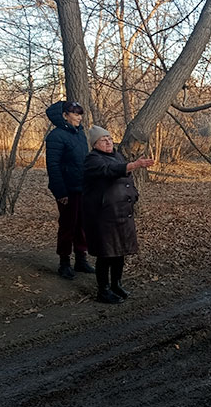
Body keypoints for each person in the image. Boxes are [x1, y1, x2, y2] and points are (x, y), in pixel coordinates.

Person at [82, 126, 155, 303]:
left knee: (119, 252)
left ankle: (116, 284)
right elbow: (110, 171)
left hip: (122, 213)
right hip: (104, 215)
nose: (108, 142)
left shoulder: (117, 155)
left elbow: (126, 178)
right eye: (103, 140)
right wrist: (135, 165)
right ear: (94, 144)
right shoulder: (92, 159)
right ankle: (103, 290)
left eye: (109, 138)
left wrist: (134, 195)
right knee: (106, 253)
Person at [45, 100, 95, 279]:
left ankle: (81, 259)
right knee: (68, 225)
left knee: (83, 225)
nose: (79, 117)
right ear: (65, 116)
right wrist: (61, 193)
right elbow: (53, 166)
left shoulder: (80, 134)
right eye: (75, 113)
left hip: (83, 187)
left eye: (80, 113)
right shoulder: (56, 136)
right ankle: (64, 262)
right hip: (67, 189)